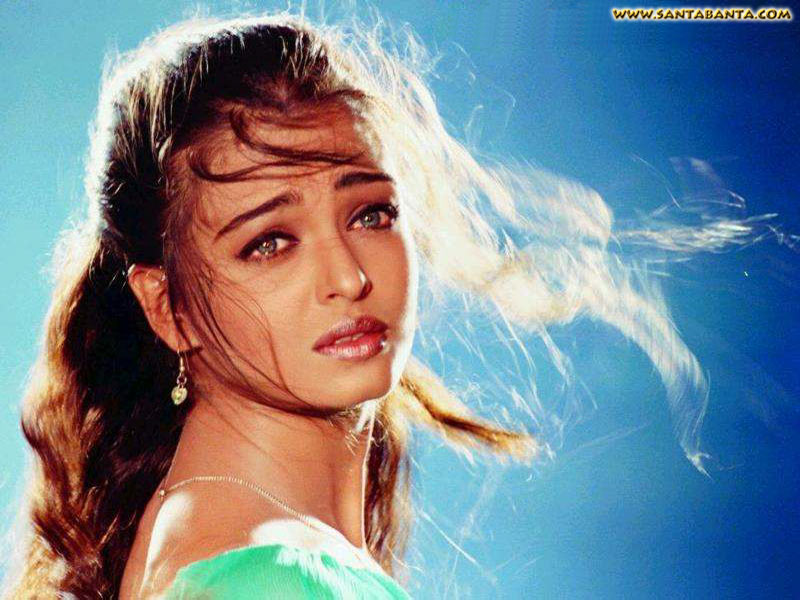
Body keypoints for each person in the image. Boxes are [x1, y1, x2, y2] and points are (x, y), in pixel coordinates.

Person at [1, 8, 765, 600]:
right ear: (167, 307)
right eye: (269, 242)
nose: (348, 276)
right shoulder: (270, 578)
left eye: (371, 214)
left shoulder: (225, 544)